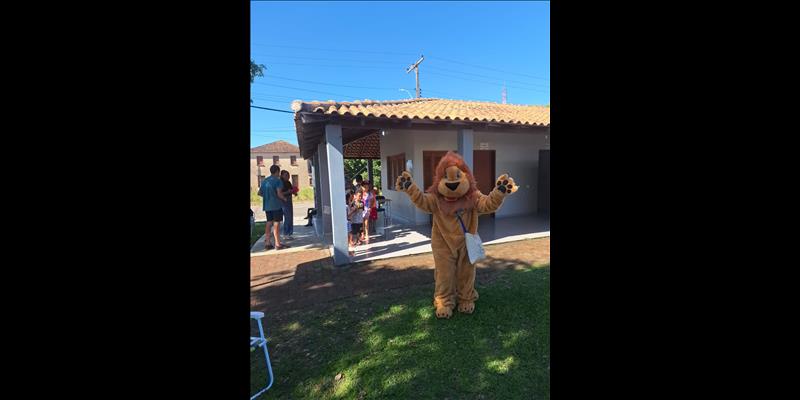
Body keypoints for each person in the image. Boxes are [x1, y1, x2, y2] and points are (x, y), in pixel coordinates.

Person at [258, 165, 289, 250]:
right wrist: (284, 198)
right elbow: (279, 193)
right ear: (277, 172)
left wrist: (267, 196)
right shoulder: (278, 181)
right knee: (276, 224)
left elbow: (259, 193)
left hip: (267, 206)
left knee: (268, 223)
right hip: (276, 206)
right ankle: (278, 244)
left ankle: (267, 243)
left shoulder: (265, 181)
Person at [279, 170, 298, 239]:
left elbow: (291, 189)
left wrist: (294, 192)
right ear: (282, 175)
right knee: (287, 217)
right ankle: (286, 233)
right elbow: (279, 193)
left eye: (288, 175)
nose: (288, 177)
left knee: (290, 217)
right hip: (283, 200)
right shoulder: (280, 183)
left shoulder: (288, 182)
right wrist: (287, 192)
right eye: (286, 175)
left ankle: (290, 233)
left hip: (289, 200)